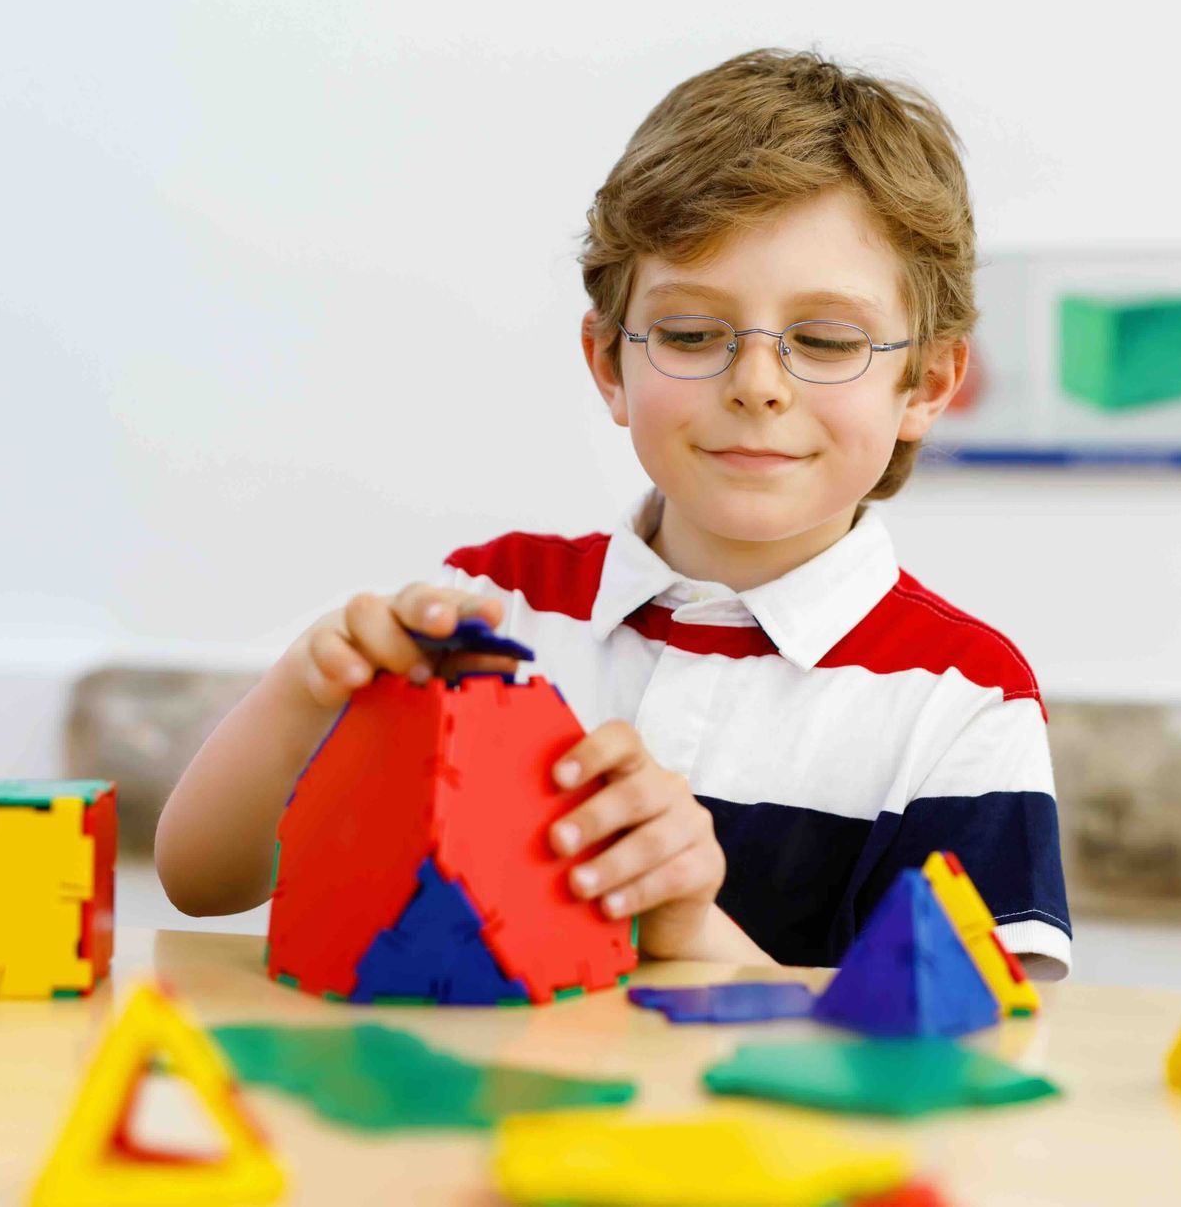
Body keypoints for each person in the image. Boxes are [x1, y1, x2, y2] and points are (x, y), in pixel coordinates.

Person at [156, 48, 1071, 978]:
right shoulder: (495, 605)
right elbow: (202, 881)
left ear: (928, 384)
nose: (756, 384)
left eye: (826, 340)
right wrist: (306, 695)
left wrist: (690, 931)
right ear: (608, 363)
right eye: (690, 334)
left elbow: (981, 1049)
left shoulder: (965, 697)